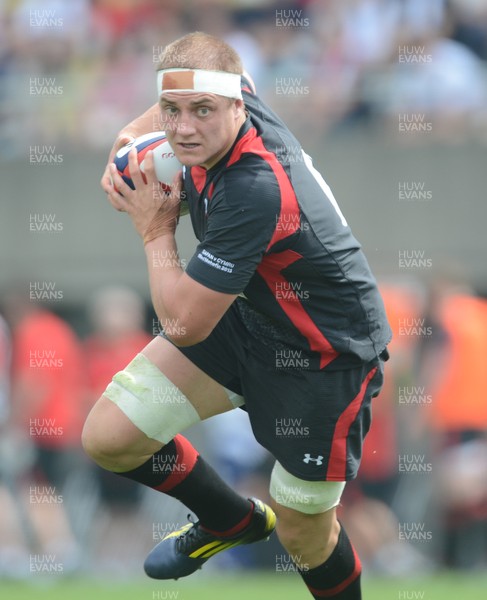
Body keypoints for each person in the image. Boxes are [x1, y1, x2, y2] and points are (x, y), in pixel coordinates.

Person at [82, 32, 391, 599]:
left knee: (303, 534)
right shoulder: (224, 96)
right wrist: (129, 140)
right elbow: (183, 86)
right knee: (110, 436)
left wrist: (155, 229)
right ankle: (230, 520)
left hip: (324, 356)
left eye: (202, 112)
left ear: (237, 108)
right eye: (172, 111)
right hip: (250, 317)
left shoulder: (255, 188)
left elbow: (184, 325)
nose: (183, 127)